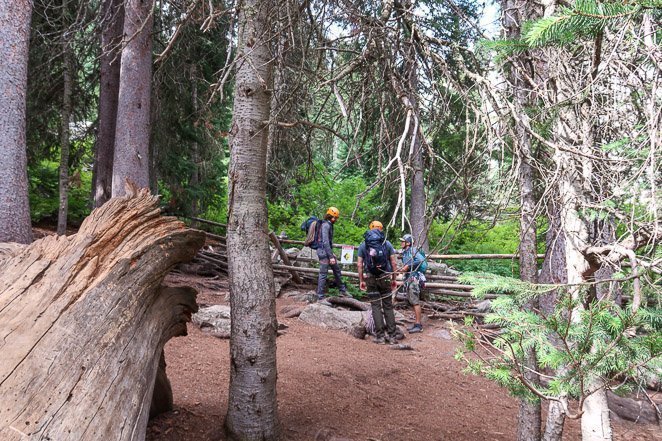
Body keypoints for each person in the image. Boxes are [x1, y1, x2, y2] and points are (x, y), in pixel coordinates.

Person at [357, 220, 398, 344]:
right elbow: (394, 263)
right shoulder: (387, 244)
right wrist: (394, 279)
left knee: (375, 306)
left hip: (370, 278)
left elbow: (359, 264)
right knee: (388, 306)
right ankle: (392, 336)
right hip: (385, 277)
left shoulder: (364, 244)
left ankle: (380, 337)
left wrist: (361, 280)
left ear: (370, 228)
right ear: (381, 229)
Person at [316, 206, 348, 305]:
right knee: (323, 274)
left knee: (336, 270)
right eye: (336, 218)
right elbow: (325, 242)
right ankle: (320, 298)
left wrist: (331, 253)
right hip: (323, 252)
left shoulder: (329, 224)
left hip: (326, 251)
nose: (336, 220)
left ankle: (342, 291)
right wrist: (330, 257)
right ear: (332, 217)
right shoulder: (326, 225)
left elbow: (328, 242)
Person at [400, 234, 425, 333]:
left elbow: (420, 260)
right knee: (412, 301)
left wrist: (407, 266)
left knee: (415, 302)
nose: (401, 243)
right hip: (409, 278)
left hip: (414, 279)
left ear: (408, 243)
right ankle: (416, 323)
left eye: (403, 241)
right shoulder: (405, 252)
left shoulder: (413, 250)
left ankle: (418, 325)